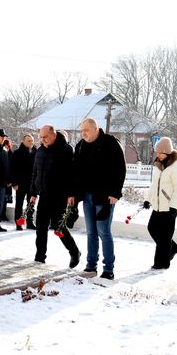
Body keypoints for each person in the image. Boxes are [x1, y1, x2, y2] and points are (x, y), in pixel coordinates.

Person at [70, 117, 126, 280]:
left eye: (86, 130)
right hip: (87, 195)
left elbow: (120, 169)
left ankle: (108, 268)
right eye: (81, 131)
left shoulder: (110, 143)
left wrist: (116, 193)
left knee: (103, 232)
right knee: (91, 232)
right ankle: (90, 266)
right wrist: (73, 193)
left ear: (96, 129)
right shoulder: (80, 146)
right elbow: (75, 171)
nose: (83, 133)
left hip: (105, 196)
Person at [29, 126, 80, 267]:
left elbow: (71, 174)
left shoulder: (65, 150)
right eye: (41, 136)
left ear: (54, 135)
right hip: (44, 194)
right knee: (41, 227)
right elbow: (35, 173)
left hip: (59, 195)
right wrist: (33, 192)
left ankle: (74, 251)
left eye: (45, 136)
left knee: (59, 227)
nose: (42, 139)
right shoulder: (40, 151)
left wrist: (71, 193)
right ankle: (40, 257)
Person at [144, 137, 177, 270]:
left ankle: (162, 263)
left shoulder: (176, 167)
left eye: (160, 153)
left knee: (165, 235)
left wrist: (174, 208)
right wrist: (148, 199)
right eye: (156, 153)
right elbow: (154, 185)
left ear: (167, 152)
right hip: (157, 205)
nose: (158, 155)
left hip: (170, 207)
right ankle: (172, 248)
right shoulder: (158, 165)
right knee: (152, 228)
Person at [10, 134, 36, 230]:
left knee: (31, 204)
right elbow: (13, 169)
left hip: (32, 183)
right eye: (28, 140)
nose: (31, 142)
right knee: (19, 204)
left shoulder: (36, 152)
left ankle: (30, 222)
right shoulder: (17, 153)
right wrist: (14, 183)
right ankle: (19, 222)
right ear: (23, 141)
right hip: (20, 183)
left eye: (32, 140)